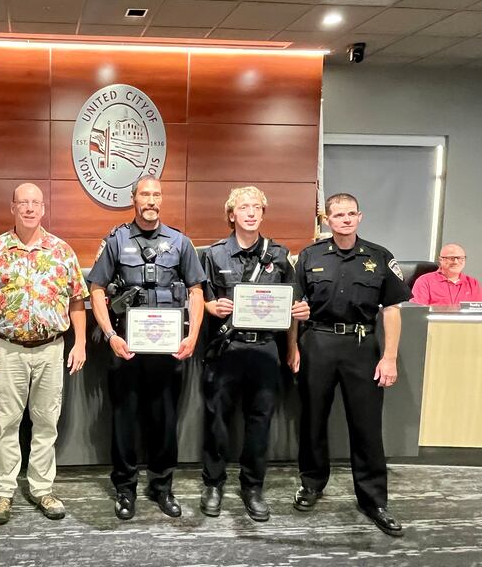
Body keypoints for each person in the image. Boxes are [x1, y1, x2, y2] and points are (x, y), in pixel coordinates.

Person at [87, 175, 206, 520]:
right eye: (145, 195)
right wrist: (111, 335)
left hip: (169, 351)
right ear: (134, 199)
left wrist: (193, 335)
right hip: (127, 350)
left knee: (165, 422)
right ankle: (125, 490)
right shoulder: (116, 241)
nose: (151, 200)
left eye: (156, 194)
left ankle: (162, 486)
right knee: (124, 422)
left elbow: (197, 291)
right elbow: (96, 290)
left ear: (161, 200)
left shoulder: (181, 242)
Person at [292, 193, 411, 537]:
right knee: (313, 418)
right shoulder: (310, 256)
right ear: (326, 220)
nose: (344, 219)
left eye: (350, 214)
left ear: (360, 217)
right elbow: (296, 305)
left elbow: (391, 309)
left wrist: (389, 357)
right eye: (337, 215)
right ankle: (312, 483)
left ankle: (373, 500)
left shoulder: (379, 256)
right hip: (318, 342)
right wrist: (293, 344)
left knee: (367, 426)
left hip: (362, 345)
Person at [0, 183, 88, 525]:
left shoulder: (61, 251)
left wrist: (79, 343)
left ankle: (42, 488)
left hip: (51, 350)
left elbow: (77, 300)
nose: (29, 208)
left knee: (46, 422)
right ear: (12, 208)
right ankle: (3, 491)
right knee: (5, 422)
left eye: (35, 202)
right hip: (6, 350)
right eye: (22, 202)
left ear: (43, 208)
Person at [200, 186, 310, 521]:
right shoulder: (213, 254)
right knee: (217, 421)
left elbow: (291, 304)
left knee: (260, 422)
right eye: (243, 207)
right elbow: (199, 296)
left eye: (256, 207)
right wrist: (211, 305)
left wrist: (293, 341)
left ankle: (252, 487)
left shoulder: (278, 254)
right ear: (231, 214)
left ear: (263, 213)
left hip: (265, 350)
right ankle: (214, 484)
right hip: (226, 348)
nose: (250, 212)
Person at [411, 243, 481, 304]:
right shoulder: (425, 281)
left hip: (465, 320)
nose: (456, 262)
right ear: (441, 260)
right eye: (451, 258)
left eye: (460, 258)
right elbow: (417, 311)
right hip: (436, 319)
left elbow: (478, 311)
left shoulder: (472, 283)